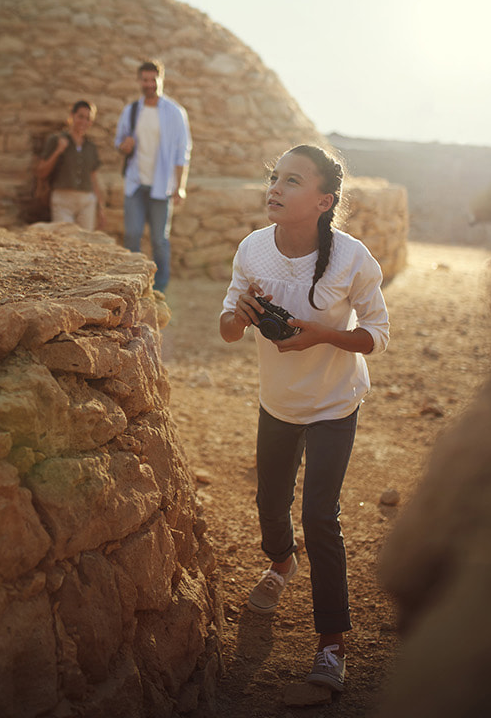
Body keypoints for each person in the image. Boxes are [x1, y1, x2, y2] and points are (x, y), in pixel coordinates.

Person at [218, 143, 390, 695]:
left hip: (335, 404)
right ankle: (281, 563)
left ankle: (332, 646)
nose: (276, 187)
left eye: (292, 181)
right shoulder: (252, 249)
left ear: (323, 200)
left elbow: (377, 335)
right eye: (275, 177)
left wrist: (323, 336)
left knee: (319, 515)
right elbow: (226, 325)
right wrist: (240, 316)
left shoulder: (351, 257)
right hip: (279, 404)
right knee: (271, 505)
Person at [114, 61, 191, 292]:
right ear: (139, 81)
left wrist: (180, 186)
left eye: (153, 80)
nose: (149, 84)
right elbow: (119, 142)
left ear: (161, 80)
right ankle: (131, 285)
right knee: (133, 235)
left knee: (159, 240)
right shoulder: (131, 111)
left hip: (162, 186)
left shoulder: (175, 113)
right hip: (136, 184)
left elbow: (183, 151)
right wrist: (124, 146)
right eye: (145, 80)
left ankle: (160, 288)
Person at [34, 100, 105, 230]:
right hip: (63, 200)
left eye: (88, 119)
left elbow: (93, 177)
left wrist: (100, 207)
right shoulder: (56, 140)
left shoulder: (91, 147)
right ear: (72, 116)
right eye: (81, 117)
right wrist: (58, 151)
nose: (84, 122)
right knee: (65, 239)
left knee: (85, 243)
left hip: (87, 201)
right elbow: (41, 172)